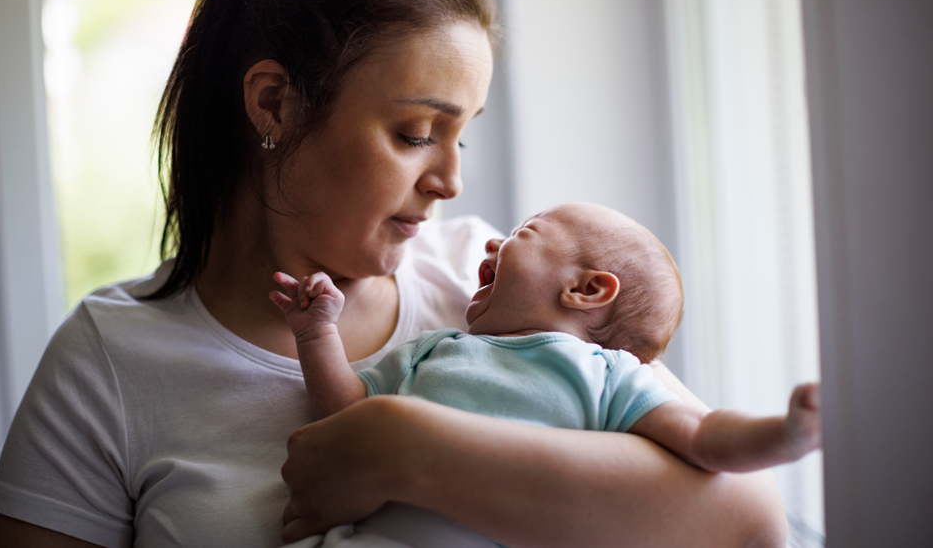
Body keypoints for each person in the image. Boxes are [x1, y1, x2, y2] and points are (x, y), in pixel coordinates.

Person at [0, 0, 788, 547]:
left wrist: (410, 451)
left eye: (462, 137)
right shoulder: (107, 360)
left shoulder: (501, 292)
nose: (450, 181)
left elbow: (750, 516)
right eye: (415, 134)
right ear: (274, 103)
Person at [271, 202, 821, 546]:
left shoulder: (607, 375)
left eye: (523, 230)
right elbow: (344, 422)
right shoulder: (434, 349)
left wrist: (785, 434)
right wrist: (316, 334)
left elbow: (703, 438)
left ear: (585, 290)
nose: (491, 243)